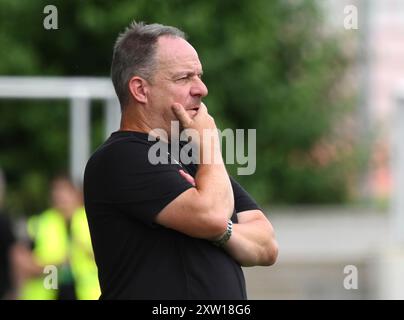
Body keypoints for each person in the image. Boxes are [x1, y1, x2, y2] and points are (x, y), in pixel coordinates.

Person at [84, 21, 278, 300]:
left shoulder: (191, 157)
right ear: (140, 90)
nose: (201, 89)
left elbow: (267, 245)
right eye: (184, 78)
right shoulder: (119, 157)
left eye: (199, 76)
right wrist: (210, 145)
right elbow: (213, 213)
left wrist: (218, 231)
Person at [20, 175, 100, 300]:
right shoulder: (41, 223)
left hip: (87, 294)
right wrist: (51, 265)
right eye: (56, 193)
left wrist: (85, 250)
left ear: (77, 195)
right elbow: (20, 258)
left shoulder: (92, 220)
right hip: (49, 291)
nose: (60, 198)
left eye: (65, 193)